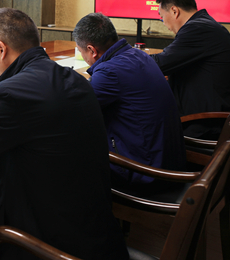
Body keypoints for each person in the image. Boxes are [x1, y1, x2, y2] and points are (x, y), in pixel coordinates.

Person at [0, 8, 128, 260]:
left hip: (48, 245)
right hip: (96, 231)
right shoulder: (73, 78)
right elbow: (44, 116)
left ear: (0, 49)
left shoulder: (11, 93)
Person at [73, 13, 186, 190]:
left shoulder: (109, 72)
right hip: (169, 163)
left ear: (92, 50)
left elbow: (74, 111)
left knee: (70, 154)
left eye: (81, 51)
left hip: (146, 175)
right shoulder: (139, 55)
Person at [151, 0, 230, 139]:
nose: (164, 23)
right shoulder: (205, 24)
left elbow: (160, 63)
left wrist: (123, 56)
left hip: (204, 125)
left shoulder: (198, 28)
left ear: (174, 11)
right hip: (209, 117)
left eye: (161, 17)